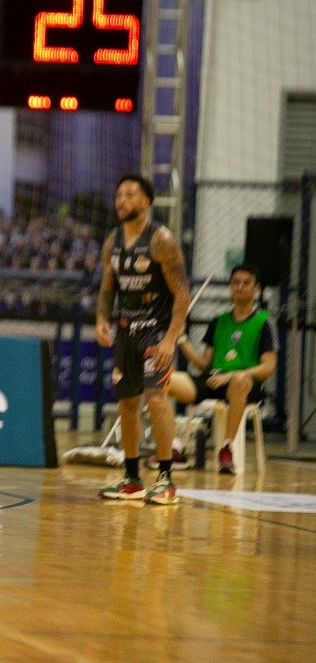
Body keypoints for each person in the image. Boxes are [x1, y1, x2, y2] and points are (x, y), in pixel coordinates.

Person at [95, 174, 191, 505]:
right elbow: (108, 288)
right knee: (127, 402)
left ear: (146, 202)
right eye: (119, 194)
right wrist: (101, 319)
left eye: (130, 194)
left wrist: (170, 339)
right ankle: (133, 477)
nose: (122, 200)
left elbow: (182, 293)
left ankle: (165, 478)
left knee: (156, 397)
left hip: (156, 331)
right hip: (126, 331)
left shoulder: (161, 240)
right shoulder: (112, 241)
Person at [170, 262, 278, 473]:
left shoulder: (265, 322)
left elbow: (268, 367)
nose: (240, 287)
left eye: (246, 283)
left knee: (238, 381)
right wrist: (181, 338)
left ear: (257, 288)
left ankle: (226, 449)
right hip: (214, 379)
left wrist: (233, 375)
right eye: (236, 282)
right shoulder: (218, 321)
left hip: (245, 384)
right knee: (162, 380)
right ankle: (174, 448)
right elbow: (203, 363)